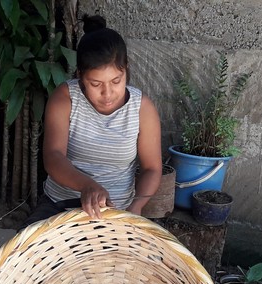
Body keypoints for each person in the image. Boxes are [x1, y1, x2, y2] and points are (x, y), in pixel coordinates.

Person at [21, 14, 162, 226]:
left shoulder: (142, 108)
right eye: (96, 84)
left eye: (116, 81)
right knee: (26, 253)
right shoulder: (65, 98)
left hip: (117, 212)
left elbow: (152, 168)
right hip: (61, 205)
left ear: (127, 69)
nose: (107, 93)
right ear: (80, 76)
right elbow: (53, 157)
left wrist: (136, 207)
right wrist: (87, 186)